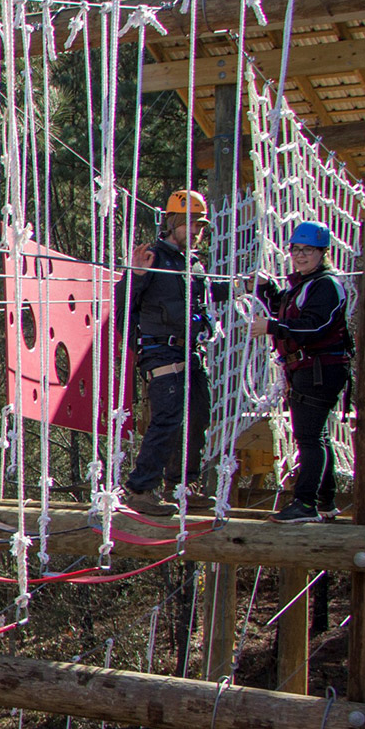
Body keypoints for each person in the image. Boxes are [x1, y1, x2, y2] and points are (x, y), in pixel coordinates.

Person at [123, 190, 230, 514]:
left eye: (199, 226)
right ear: (171, 223)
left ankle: (181, 486)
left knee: (197, 418)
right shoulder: (153, 258)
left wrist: (242, 286)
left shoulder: (193, 264)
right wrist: (136, 275)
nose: (196, 232)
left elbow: (209, 291)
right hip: (163, 354)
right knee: (166, 420)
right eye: (189, 225)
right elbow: (125, 300)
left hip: (191, 353)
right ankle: (141, 488)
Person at [254, 221, 354, 523]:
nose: (300, 255)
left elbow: (316, 325)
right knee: (317, 436)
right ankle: (324, 501)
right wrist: (265, 290)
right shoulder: (304, 284)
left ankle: (306, 503)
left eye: (307, 250)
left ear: (322, 253)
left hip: (320, 369)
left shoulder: (326, 285)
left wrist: (271, 326)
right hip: (310, 369)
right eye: (296, 250)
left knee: (309, 439)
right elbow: (287, 307)